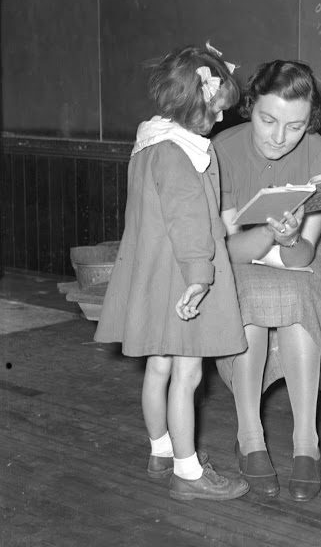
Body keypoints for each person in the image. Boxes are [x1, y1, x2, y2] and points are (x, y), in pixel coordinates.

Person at [94, 45, 249, 501]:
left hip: (154, 278)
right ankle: (188, 472)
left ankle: (160, 449)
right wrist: (200, 277)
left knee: (158, 368)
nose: (220, 120)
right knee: (188, 375)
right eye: (215, 110)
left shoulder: (149, 143)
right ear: (194, 101)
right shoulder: (182, 153)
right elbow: (188, 223)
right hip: (183, 279)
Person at [214, 60, 321, 502]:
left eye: (295, 126)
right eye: (267, 120)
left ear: (311, 122)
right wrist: (270, 232)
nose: (278, 136)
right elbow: (230, 249)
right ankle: (250, 436)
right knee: (248, 299)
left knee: (295, 293)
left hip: (302, 262)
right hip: (241, 260)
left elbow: (306, 252)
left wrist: (288, 239)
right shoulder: (222, 150)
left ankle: (307, 442)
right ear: (249, 107)